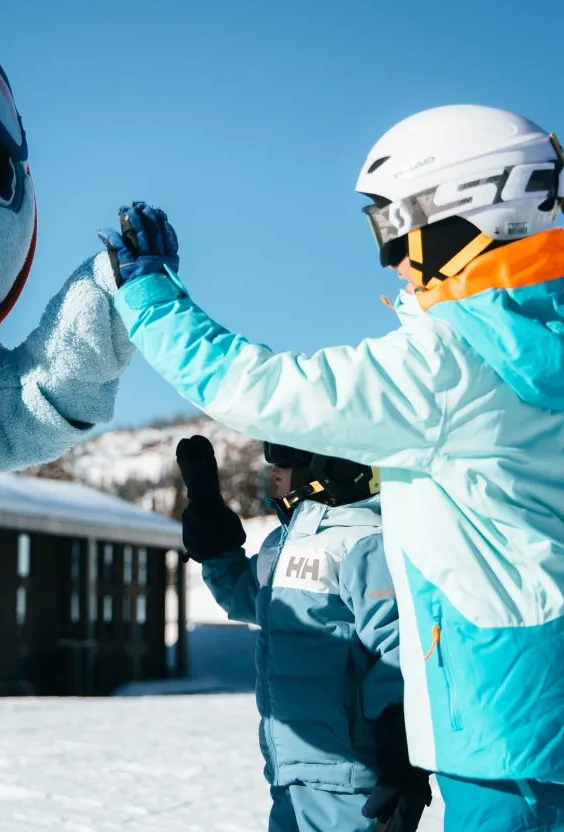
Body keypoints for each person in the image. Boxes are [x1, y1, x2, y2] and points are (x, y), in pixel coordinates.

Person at [100, 105, 564, 831]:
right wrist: (222, 550)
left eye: (391, 227)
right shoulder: (537, 339)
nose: (389, 259)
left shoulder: (454, 361)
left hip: (502, 723)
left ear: (463, 209)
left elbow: (262, 391)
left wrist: (151, 296)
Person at [177, 434, 430, 832]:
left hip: (351, 778)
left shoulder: (364, 542)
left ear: (333, 464)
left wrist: (401, 753)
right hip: (290, 768)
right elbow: (243, 595)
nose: (273, 469)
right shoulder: (284, 543)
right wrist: (207, 514)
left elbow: (399, 650)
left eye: (286, 458)